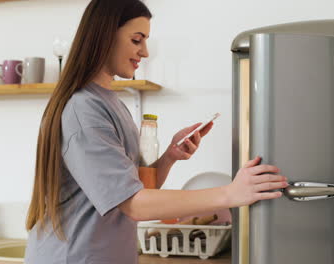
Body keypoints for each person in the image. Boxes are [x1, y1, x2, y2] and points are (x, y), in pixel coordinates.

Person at [24, 0, 288, 263]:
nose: (145, 52)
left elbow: (134, 190)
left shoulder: (110, 103)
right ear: (104, 36)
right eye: (137, 40)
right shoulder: (84, 109)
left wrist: (169, 157)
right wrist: (230, 194)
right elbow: (134, 205)